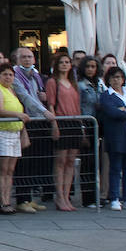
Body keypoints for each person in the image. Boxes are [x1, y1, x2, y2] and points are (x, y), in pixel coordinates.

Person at [98, 66, 126, 211]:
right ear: (108, 80)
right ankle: (114, 197)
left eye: (119, 77)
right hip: (116, 134)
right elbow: (111, 112)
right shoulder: (106, 95)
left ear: (123, 79)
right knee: (115, 167)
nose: (116, 80)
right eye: (113, 77)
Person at [0, 62, 28, 215]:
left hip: (14, 132)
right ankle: (1, 202)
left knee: (10, 170)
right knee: (2, 169)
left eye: (11, 74)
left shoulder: (12, 90)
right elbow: (0, 110)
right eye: (5, 74)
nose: (8, 77)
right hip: (1, 132)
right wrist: (18, 115)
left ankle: (7, 199)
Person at [44, 53, 81, 212]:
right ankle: (59, 196)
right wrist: (54, 124)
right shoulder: (53, 82)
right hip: (61, 120)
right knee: (60, 161)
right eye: (62, 62)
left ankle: (66, 195)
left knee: (71, 161)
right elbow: (51, 104)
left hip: (74, 121)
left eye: (67, 62)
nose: (65, 65)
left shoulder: (73, 82)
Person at [76, 56, 104, 207]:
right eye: (88, 67)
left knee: (97, 163)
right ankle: (88, 198)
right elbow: (79, 107)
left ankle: (96, 196)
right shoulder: (80, 85)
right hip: (87, 123)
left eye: (93, 67)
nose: (91, 69)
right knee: (87, 162)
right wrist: (82, 129)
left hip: (99, 123)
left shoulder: (100, 84)